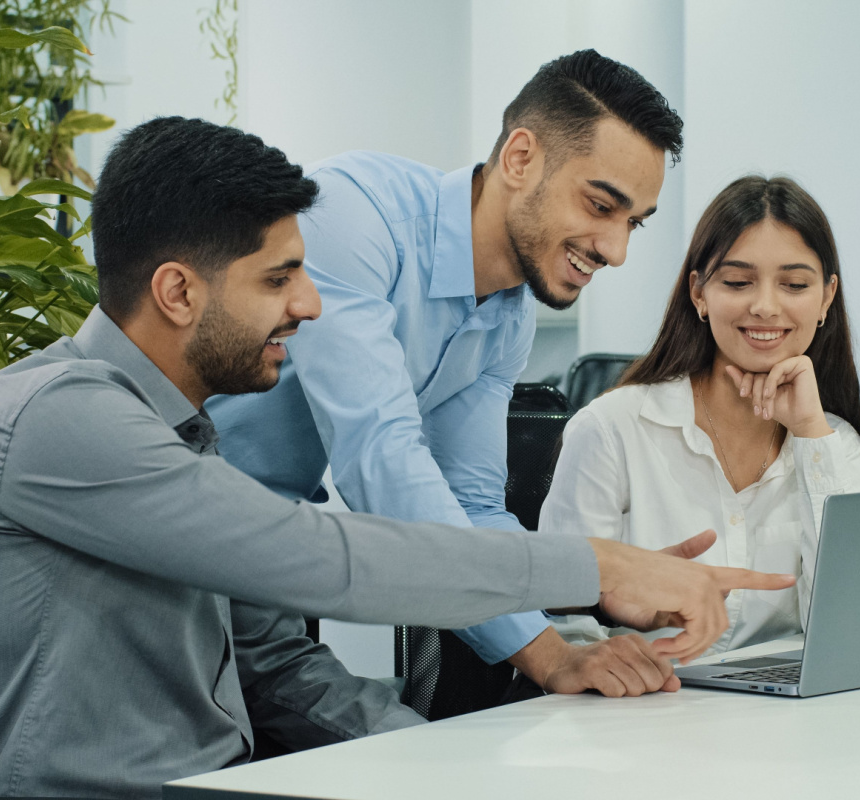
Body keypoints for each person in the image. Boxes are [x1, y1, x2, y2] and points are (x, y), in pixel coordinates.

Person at [0, 118, 794, 800]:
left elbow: (273, 657)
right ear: (178, 292)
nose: (309, 304)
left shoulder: (181, 435)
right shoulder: (60, 419)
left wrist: (442, 758)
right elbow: (322, 556)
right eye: (277, 279)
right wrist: (591, 569)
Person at [208, 50, 689, 702]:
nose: (616, 249)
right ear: (520, 158)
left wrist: (561, 652)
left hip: (267, 568)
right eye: (601, 205)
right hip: (168, 545)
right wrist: (592, 580)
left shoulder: (508, 319)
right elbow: (382, 460)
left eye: (632, 222)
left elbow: (473, 504)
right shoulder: (353, 216)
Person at [540, 175, 860, 658]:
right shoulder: (612, 429)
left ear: (826, 298)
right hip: (641, 708)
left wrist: (809, 434)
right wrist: (604, 656)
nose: (765, 306)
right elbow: (559, 617)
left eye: (795, 284)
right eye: (738, 282)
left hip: (788, 718)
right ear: (699, 293)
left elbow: (852, 624)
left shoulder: (835, 443)